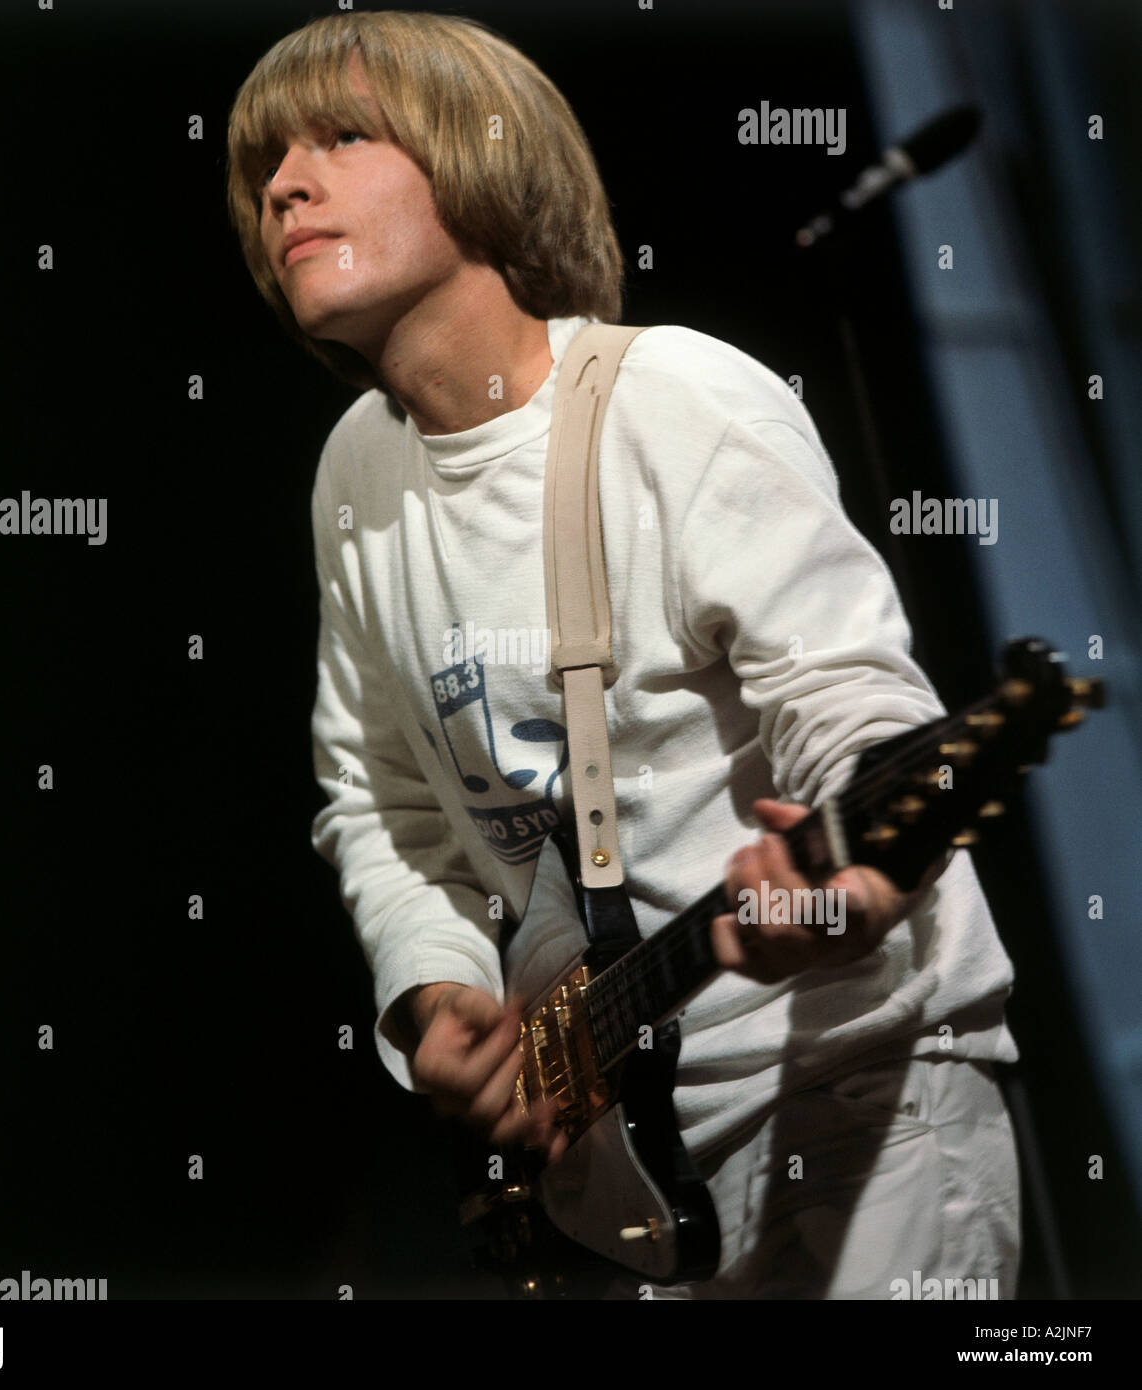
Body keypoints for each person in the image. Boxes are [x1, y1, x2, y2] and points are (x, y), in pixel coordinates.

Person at [225, 10, 1021, 1298]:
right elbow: (379, 797)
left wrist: (857, 887)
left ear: (482, 162)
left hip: (867, 1091)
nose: (282, 182)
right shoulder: (354, 473)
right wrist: (438, 1001)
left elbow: (859, 709)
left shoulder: (679, 401)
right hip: (636, 1169)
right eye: (266, 163)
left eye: (344, 136)